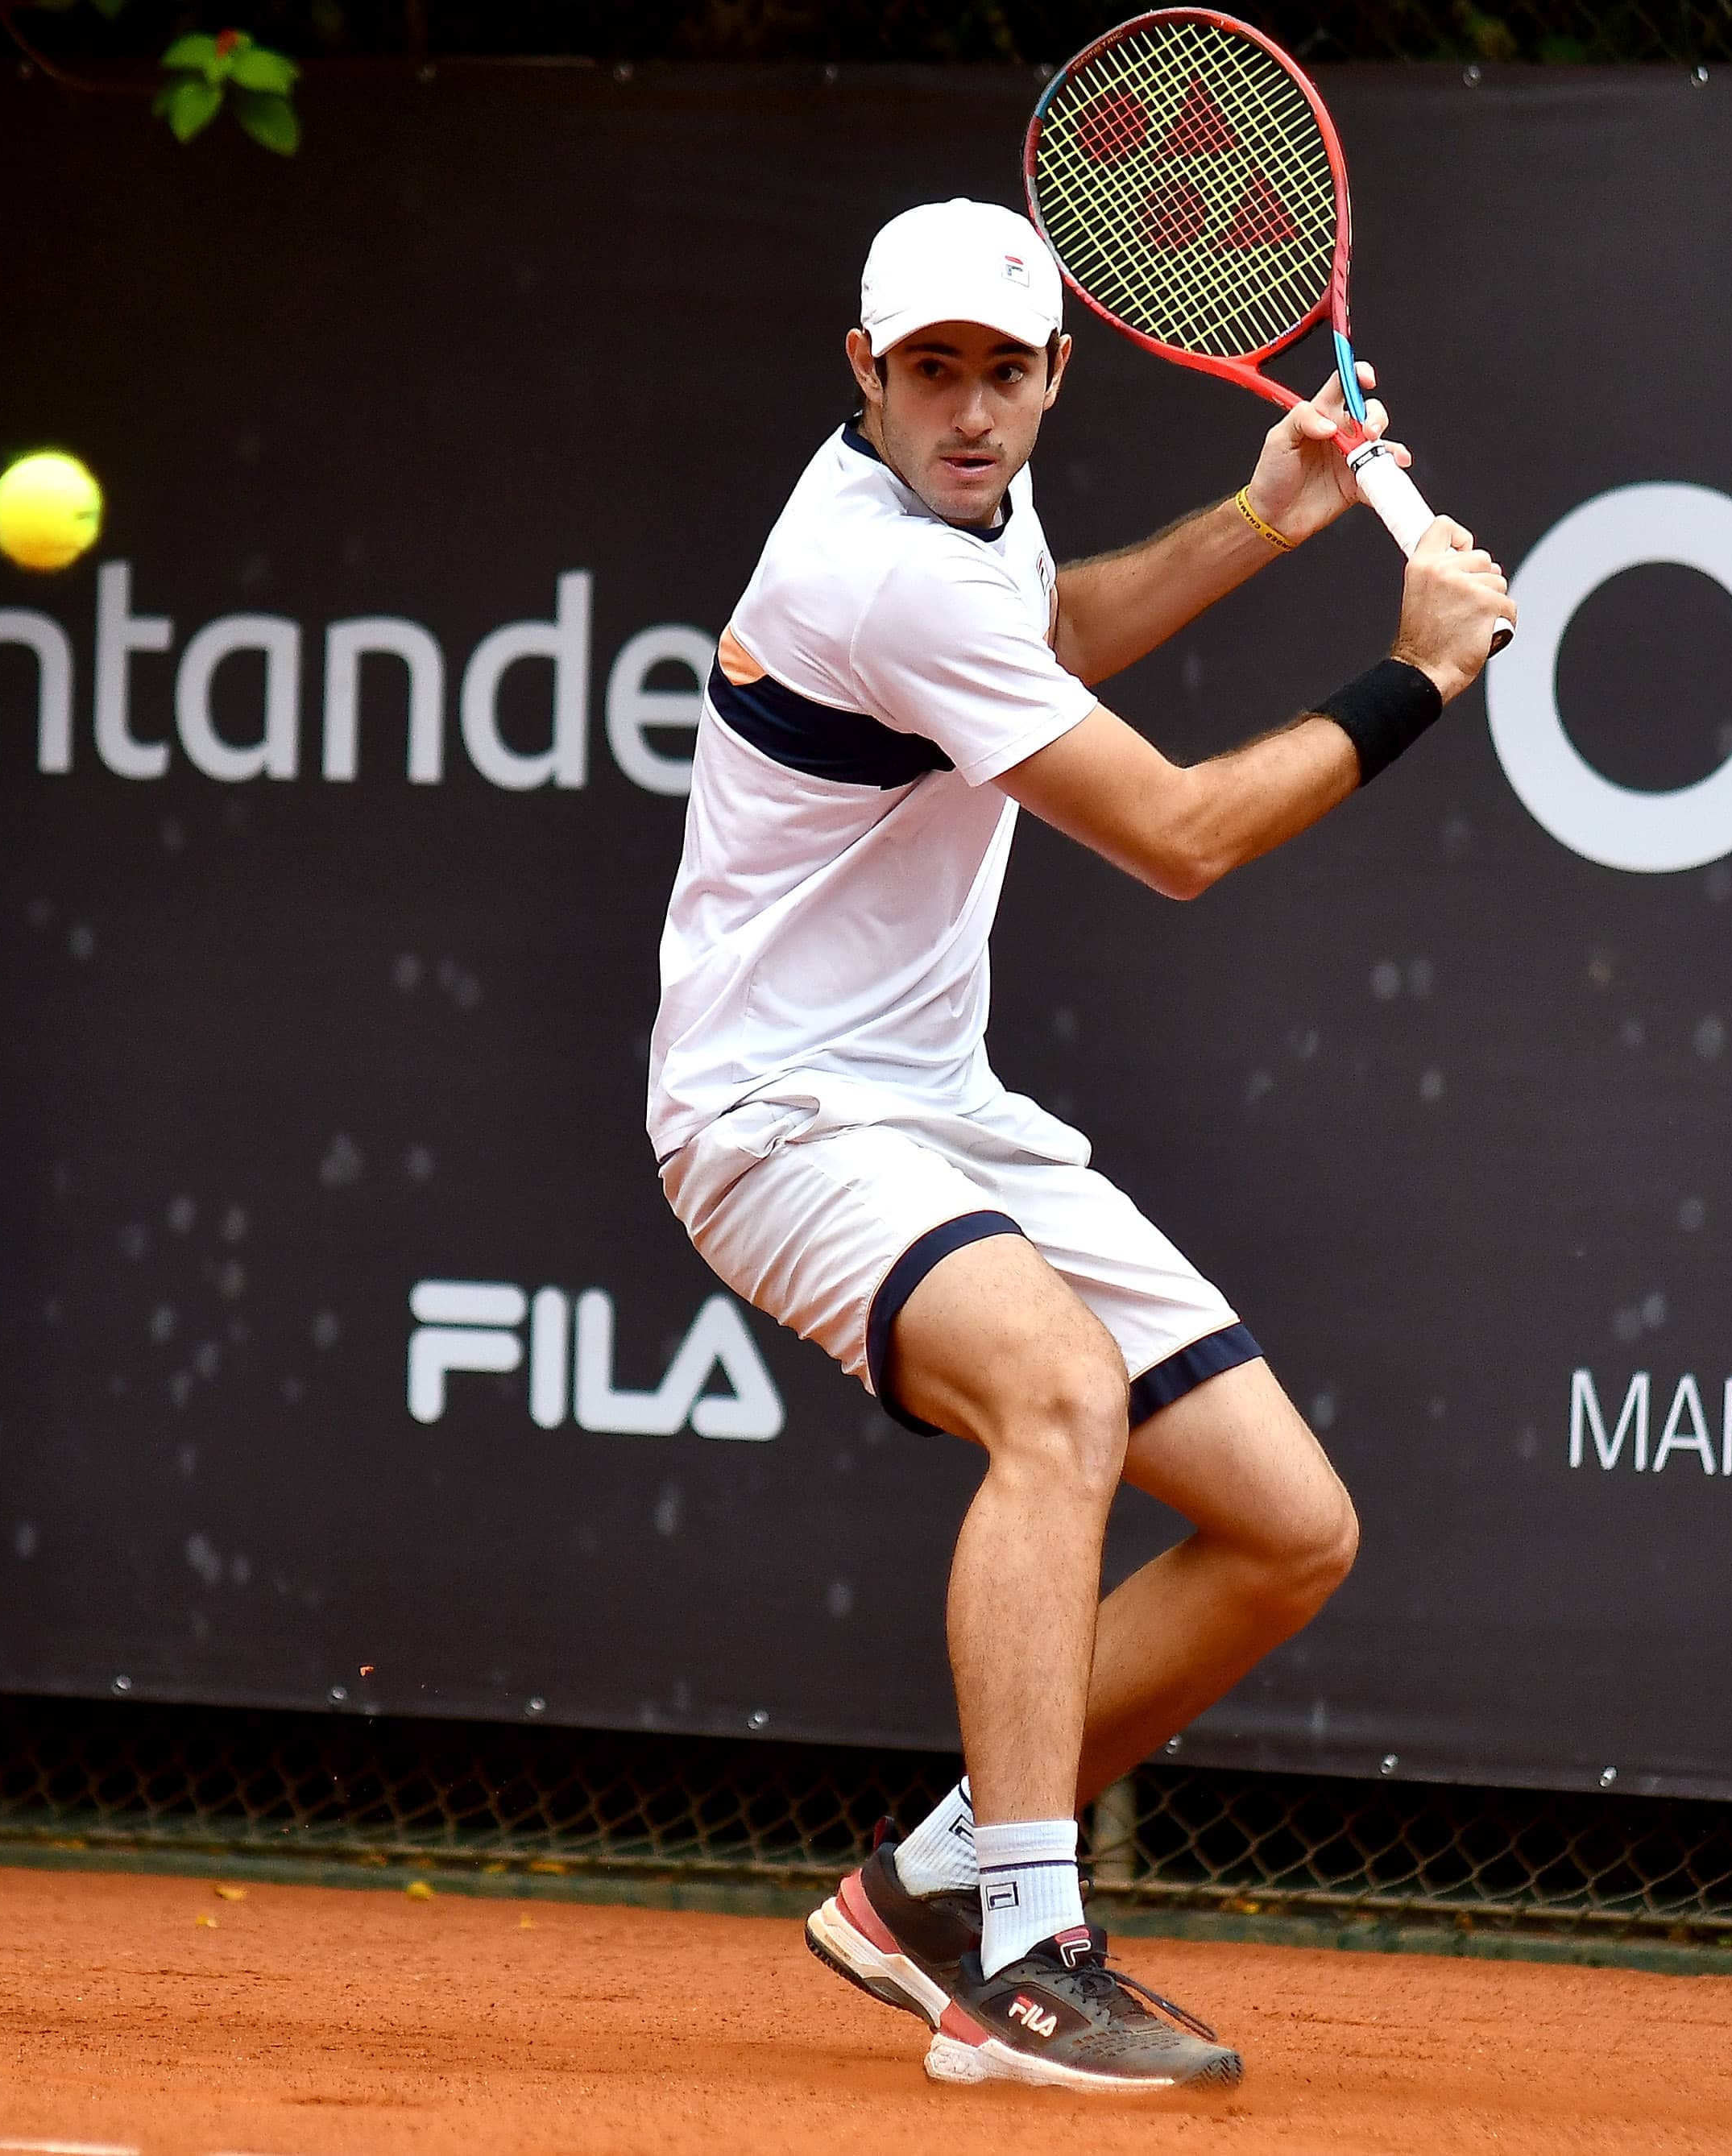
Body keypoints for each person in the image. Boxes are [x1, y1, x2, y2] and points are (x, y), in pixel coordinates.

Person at [648, 201, 1514, 2090]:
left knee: (1289, 1530)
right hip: (771, 1111)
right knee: (1059, 1399)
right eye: (928, 369)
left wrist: (1261, 517)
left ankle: (934, 1880)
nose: (966, 410)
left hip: (938, 1099)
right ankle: (1024, 1957)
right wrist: (1422, 675)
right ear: (861, 372)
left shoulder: (960, 524)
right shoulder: (875, 570)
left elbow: (1039, 629)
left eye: (1002, 371)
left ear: (1056, 375)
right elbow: (1182, 834)